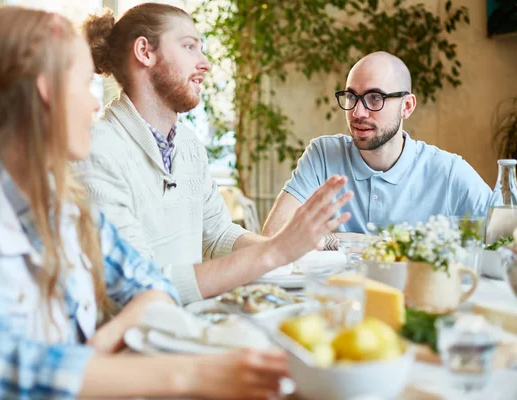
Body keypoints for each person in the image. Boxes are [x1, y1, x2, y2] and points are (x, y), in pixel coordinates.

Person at [0, 7, 344, 399]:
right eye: (84, 85)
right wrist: (192, 374)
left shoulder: (62, 207)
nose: (95, 102)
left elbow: (152, 288)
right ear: (46, 91)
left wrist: (94, 350)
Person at [74, 4, 353, 304]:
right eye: (189, 46)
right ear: (145, 51)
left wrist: (289, 249)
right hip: (139, 345)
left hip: (191, 327)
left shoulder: (189, 145)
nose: (205, 63)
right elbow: (140, 284)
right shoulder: (96, 152)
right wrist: (275, 252)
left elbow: (218, 234)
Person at [263, 51, 492, 248]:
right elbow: (273, 234)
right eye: (352, 96)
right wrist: (360, 243)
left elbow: (508, 233)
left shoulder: (448, 171)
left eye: (375, 98)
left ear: (407, 106)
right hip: (337, 296)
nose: (358, 113)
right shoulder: (323, 155)